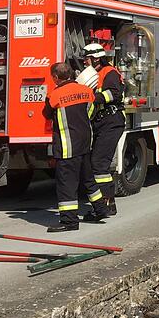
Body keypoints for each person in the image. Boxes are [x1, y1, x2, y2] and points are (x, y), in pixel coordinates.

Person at [44, 61, 107, 232]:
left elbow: (47, 114)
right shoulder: (87, 91)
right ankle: (101, 209)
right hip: (85, 144)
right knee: (88, 179)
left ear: (56, 78)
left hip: (66, 146)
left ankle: (69, 221)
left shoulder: (54, 96)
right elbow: (91, 113)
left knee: (67, 185)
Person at [83, 43, 126, 215]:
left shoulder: (110, 73)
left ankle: (106, 204)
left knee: (99, 164)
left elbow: (114, 94)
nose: (84, 62)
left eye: (87, 59)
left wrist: (95, 97)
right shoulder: (93, 74)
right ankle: (108, 205)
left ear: (96, 59)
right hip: (100, 121)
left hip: (111, 121)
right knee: (98, 163)